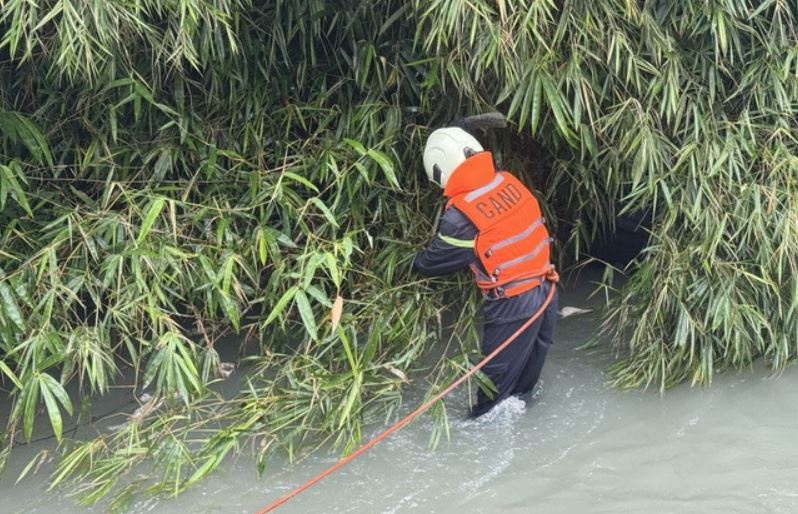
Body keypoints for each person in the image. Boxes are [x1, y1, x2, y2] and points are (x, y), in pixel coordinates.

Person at [412, 125, 559, 418]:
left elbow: (431, 262)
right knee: (523, 388)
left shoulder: (461, 216)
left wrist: (410, 263)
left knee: (491, 401)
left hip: (514, 304)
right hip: (547, 290)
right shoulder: (508, 181)